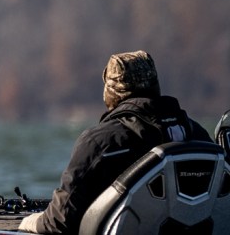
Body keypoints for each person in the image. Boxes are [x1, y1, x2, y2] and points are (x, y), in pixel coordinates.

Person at [19, 50, 213, 233]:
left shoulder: (98, 143)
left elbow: (60, 222)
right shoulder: (197, 135)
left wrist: (28, 222)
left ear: (111, 90)